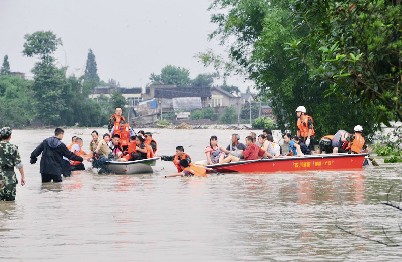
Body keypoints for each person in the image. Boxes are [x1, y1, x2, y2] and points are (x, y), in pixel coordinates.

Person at [0, 127, 26, 201]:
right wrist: (23, 177)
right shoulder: (13, 148)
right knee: (10, 203)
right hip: (10, 178)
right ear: (10, 136)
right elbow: (19, 165)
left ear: (1, 136)